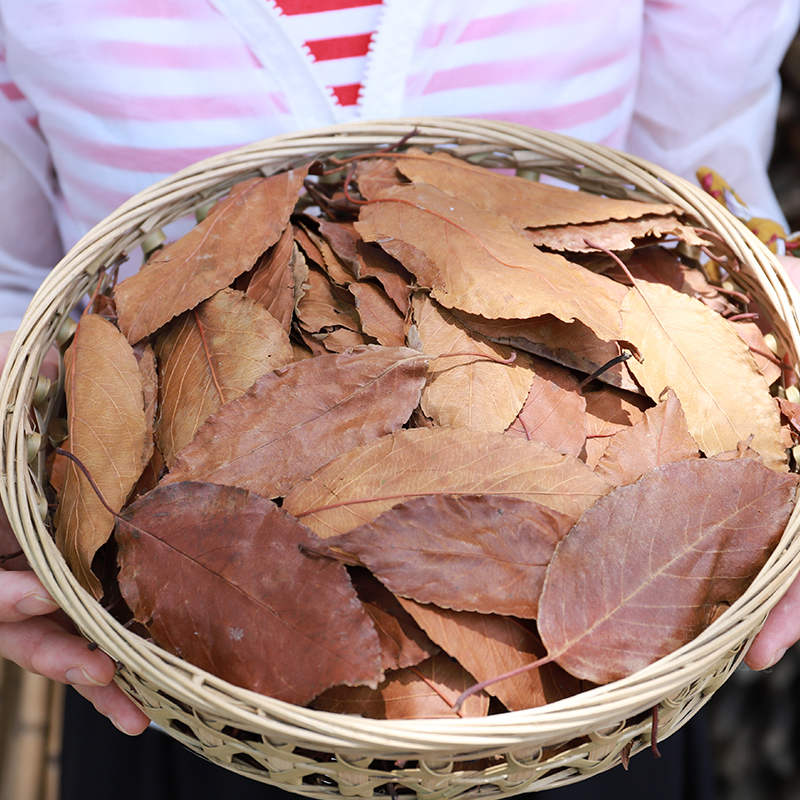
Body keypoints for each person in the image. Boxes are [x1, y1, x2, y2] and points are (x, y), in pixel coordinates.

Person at [1, 1, 799, 797]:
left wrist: (775, 357)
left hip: (590, 721)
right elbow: (12, 282)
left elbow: (698, 205)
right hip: (191, 685)